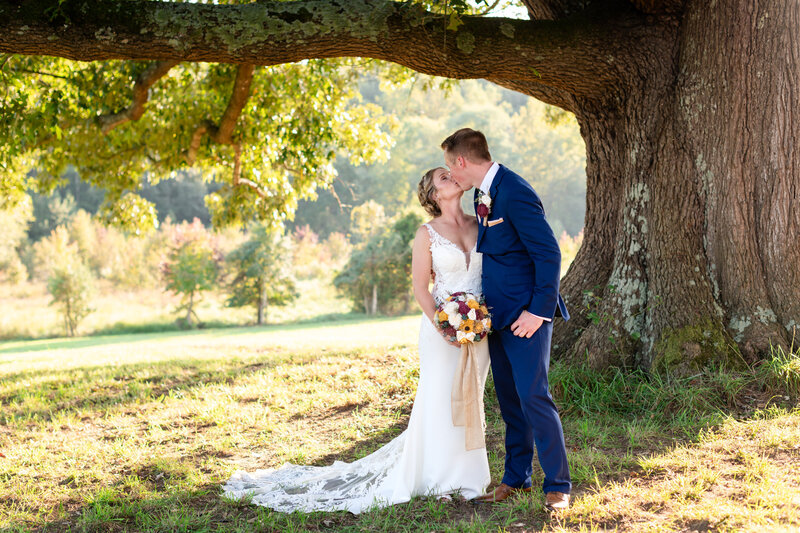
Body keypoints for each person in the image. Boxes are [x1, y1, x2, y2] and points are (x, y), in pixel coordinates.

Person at [221, 167, 491, 513]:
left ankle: (469, 477)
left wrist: (476, 322)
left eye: (452, 174)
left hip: (479, 331)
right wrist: (443, 326)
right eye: (442, 177)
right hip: (441, 330)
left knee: (473, 397)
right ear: (433, 195)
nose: (452, 177)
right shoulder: (427, 234)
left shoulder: (480, 225)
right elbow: (420, 288)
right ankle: (439, 479)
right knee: (439, 399)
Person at [441, 128, 572, 511]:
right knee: (511, 401)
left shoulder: (514, 191)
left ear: (462, 161)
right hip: (496, 319)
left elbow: (548, 255)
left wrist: (538, 311)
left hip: (527, 316)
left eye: (451, 165)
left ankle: (558, 484)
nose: (452, 173)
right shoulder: (486, 192)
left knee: (535, 397)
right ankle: (516, 478)